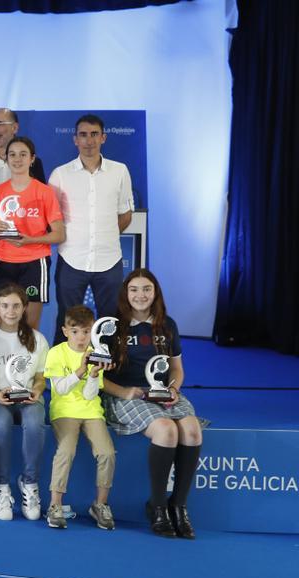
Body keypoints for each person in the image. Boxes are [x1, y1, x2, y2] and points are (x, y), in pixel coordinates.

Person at [99, 270, 203, 539]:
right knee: (166, 430)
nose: (140, 295)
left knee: (191, 430)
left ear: (155, 293)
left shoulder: (167, 324)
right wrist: (123, 391)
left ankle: (178, 505)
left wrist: (173, 389)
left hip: (162, 392)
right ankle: (157, 506)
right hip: (125, 394)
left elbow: (177, 369)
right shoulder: (112, 326)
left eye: (146, 289)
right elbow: (96, 377)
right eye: (134, 289)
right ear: (126, 293)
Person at [48, 114, 136, 340]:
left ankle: (112, 369)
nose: (89, 140)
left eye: (94, 134)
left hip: (109, 260)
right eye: (83, 135)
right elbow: (50, 218)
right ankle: (63, 372)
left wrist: (103, 236)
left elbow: (126, 214)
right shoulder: (60, 174)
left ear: (103, 138)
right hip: (71, 259)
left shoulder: (119, 171)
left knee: (111, 321)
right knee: (67, 319)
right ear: (75, 139)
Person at [0, 284, 50, 521]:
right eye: (5, 305)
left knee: (35, 420)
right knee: (1, 422)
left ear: (25, 307)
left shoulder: (37, 339)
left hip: (27, 398)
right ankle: (1, 485)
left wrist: (37, 391)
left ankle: (30, 483)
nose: (11, 311)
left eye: (16, 305)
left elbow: (40, 377)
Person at [43, 305, 117, 530]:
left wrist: (94, 374)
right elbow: (61, 389)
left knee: (106, 453)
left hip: (92, 411)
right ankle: (55, 505)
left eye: (86, 331)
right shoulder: (56, 353)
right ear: (65, 331)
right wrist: (80, 371)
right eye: (75, 331)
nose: (81, 337)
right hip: (64, 411)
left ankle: (100, 505)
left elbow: (90, 394)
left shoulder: (98, 352)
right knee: (66, 451)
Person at [0, 137, 64, 330]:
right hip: (3, 262)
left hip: (35, 263)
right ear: (6, 159)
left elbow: (59, 235)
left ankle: (27, 361)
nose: (17, 159)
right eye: (12, 154)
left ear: (32, 159)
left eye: (23, 154)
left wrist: (30, 240)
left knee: (29, 326)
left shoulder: (44, 192)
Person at [0, 109, 47, 305]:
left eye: (0, 124)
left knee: (26, 311)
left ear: (15, 127)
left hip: (28, 254)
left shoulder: (35, 164)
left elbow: (41, 208)